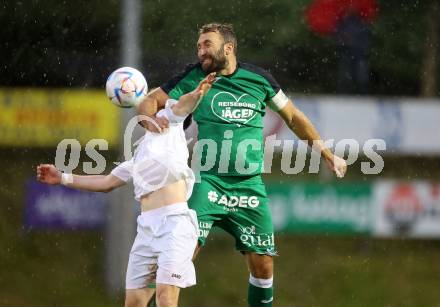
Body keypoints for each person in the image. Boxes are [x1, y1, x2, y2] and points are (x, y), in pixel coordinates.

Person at [138, 23, 347, 307]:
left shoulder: (259, 79)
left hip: (249, 186)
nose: (201, 51)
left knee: (263, 269)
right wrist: (148, 121)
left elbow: (293, 117)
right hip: (206, 182)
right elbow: (151, 100)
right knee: (178, 259)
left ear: (228, 48)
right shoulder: (195, 76)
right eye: (198, 46)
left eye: (207, 44)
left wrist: (326, 152)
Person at [36, 73, 215, 307]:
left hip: (175, 225)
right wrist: (62, 178)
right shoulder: (139, 153)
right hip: (146, 229)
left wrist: (197, 94)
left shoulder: (169, 122)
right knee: (134, 303)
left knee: (165, 298)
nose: (145, 102)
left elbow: (184, 104)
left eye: (150, 99)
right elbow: (106, 183)